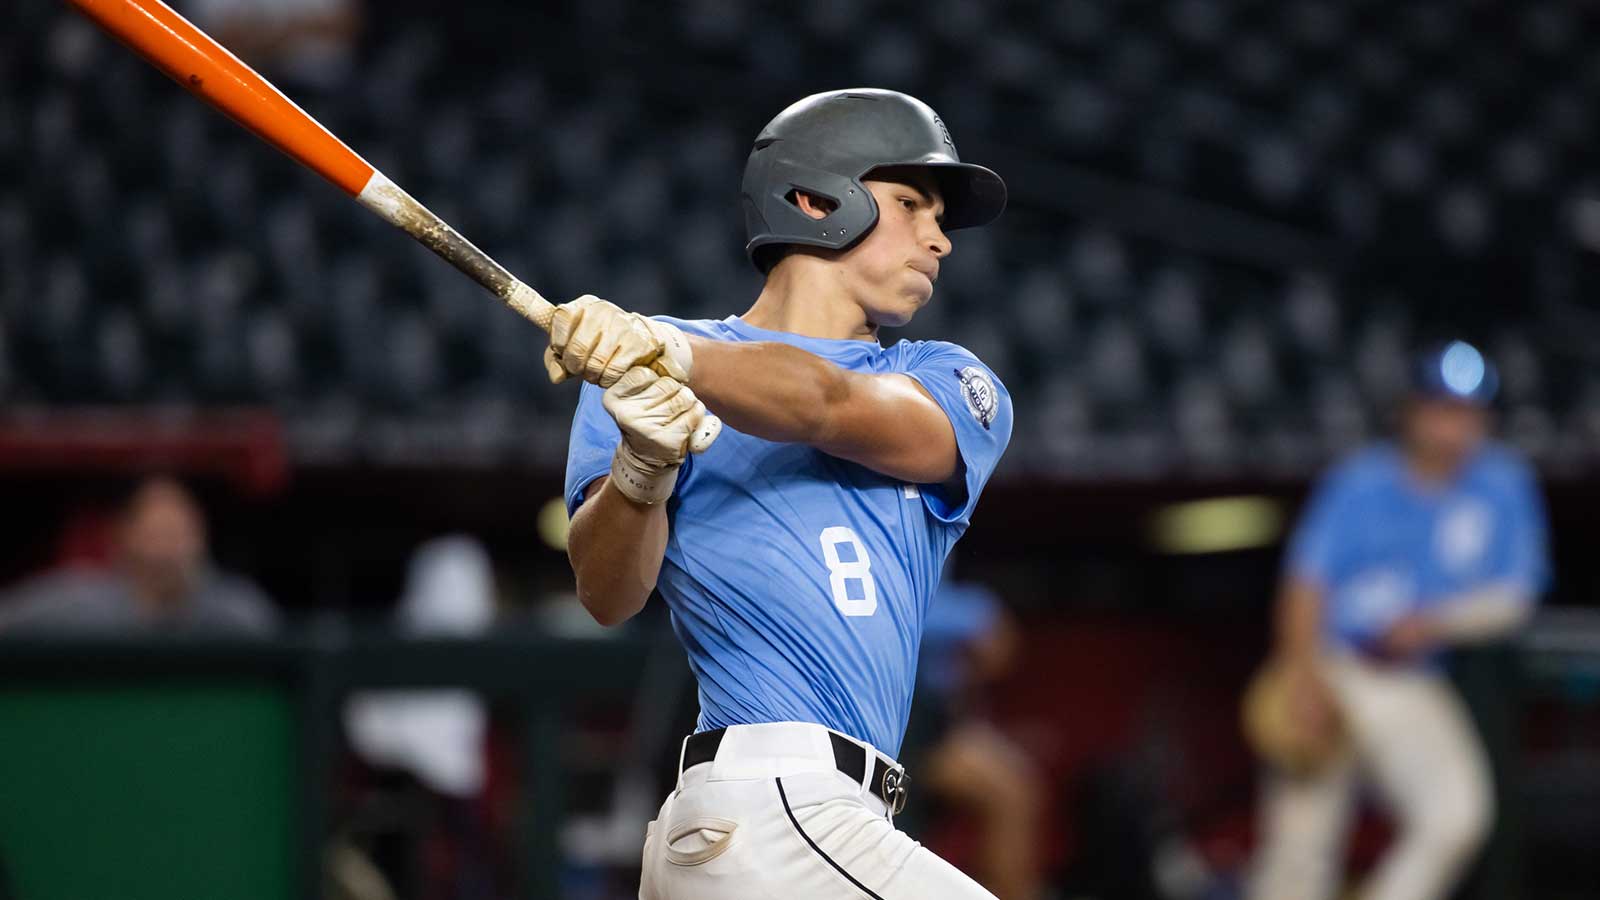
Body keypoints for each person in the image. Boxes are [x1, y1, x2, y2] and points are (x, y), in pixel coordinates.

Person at [553, 89, 1012, 898]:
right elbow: (608, 594)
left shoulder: (947, 379)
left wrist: (674, 353)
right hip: (771, 806)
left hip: (820, 825)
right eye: (912, 204)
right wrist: (642, 470)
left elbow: (827, 404)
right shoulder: (644, 388)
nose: (939, 239)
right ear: (814, 198)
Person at [1248, 341, 1551, 900]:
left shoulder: (1502, 484)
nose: (1451, 426)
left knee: (1457, 817)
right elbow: (1305, 584)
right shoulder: (1360, 480)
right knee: (1298, 851)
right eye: (1440, 408)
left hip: (1412, 679)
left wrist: (1437, 623)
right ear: (1410, 410)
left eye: (1466, 412)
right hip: (1336, 666)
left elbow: (1516, 595)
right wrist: (1300, 673)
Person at [907, 576, 1045, 900]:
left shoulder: (945, 538)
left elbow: (1000, 646)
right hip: (902, 730)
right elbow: (902, 611)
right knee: (1010, 795)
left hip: (938, 722)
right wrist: (973, 614)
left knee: (1019, 790)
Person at [0, 475, 277, 635]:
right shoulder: (79, 605)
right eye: (158, 532)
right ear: (124, 536)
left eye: (181, 532)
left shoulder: (237, 612)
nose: (172, 548)